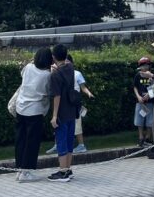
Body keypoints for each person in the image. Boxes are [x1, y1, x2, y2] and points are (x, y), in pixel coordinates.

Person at [14, 47, 52, 182]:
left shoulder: (28, 67)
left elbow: (22, 75)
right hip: (35, 110)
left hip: (21, 107)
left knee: (21, 139)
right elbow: (48, 91)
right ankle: (26, 171)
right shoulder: (47, 75)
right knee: (32, 141)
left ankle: (19, 169)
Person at [47, 54, 94, 154]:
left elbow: (83, 87)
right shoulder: (58, 72)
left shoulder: (76, 73)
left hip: (73, 103)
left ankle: (81, 145)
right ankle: (57, 145)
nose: (65, 63)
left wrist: (88, 93)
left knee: (77, 126)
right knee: (58, 125)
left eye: (67, 61)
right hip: (63, 103)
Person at [48, 44, 79, 182]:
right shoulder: (70, 68)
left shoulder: (55, 75)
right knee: (69, 140)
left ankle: (63, 171)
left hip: (62, 111)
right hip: (72, 109)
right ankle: (68, 168)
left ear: (53, 57)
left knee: (61, 140)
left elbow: (57, 96)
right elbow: (64, 63)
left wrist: (54, 116)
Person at [133, 56, 154, 146]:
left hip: (150, 102)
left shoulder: (151, 75)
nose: (145, 67)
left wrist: (149, 95)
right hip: (140, 102)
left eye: (147, 65)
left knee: (150, 121)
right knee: (139, 120)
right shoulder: (138, 75)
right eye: (143, 65)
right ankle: (141, 137)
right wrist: (138, 96)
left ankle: (148, 137)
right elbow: (135, 87)